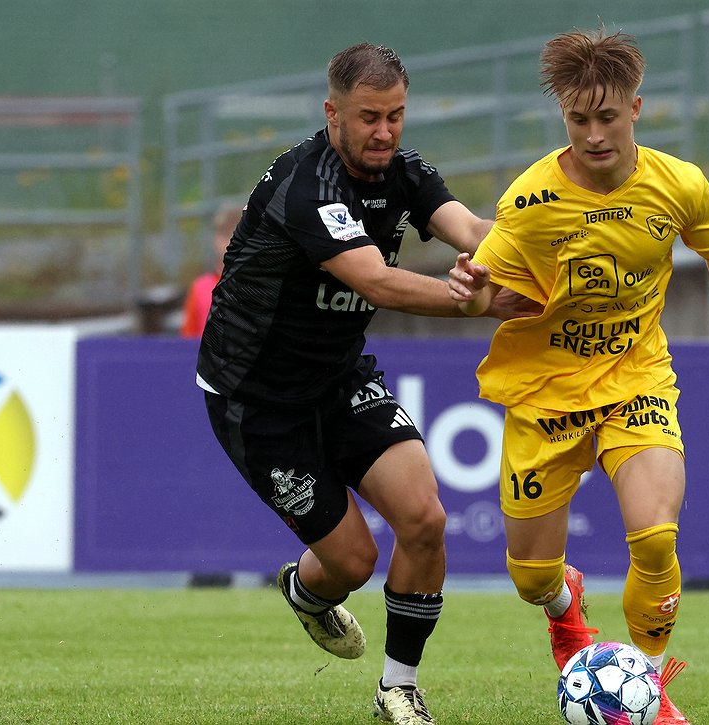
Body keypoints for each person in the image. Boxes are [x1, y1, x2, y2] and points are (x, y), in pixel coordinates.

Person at [447, 27, 709, 724]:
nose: (594, 134)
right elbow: (490, 291)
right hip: (544, 397)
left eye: (607, 117)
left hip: (636, 381)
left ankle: (652, 688)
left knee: (655, 536)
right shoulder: (530, 200)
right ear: (564, 117)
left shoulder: (679, 184)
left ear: (637, 108)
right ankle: (563, 607)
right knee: (531, 577)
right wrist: (471, 287)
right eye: (578, 120)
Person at [197, 43, 538, 725]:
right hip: (256, 398)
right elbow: (376, 279)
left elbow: (472, 231)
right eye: (369, 117)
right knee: (352, 561)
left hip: (339, 375)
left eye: (396, 116)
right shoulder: (307, 185)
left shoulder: (405, 172)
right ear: (333, 114)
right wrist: (471, 302)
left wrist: (554, 242)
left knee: (425, 517)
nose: (384, 132)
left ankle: (397, 688)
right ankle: (306, 589)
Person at [179, 203, 243, 338]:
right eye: (225, 235)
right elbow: (188, 338)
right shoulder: (200, 287)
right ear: (216, 239)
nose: (231, 243)